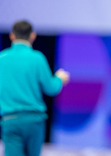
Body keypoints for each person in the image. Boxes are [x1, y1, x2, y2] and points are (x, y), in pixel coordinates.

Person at [0, 21, 70, 156]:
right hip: (34, 121)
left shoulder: (1, 59)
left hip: (10, 120)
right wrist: (59, 78)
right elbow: (51, 88)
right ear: (33, 36)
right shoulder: (37, 58)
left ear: (12, 36)